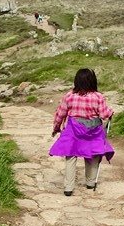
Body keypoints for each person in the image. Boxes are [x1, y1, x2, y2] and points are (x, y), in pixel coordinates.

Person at [49, 68, 115, 196]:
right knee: (93, 153)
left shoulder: (69, 96)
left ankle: (68, 187)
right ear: (93, 81)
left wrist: (56, 128)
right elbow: (103, 114)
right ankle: (90, 182)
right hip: (93, 130)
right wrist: (110, 112)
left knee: (71, 155)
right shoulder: (98, 96)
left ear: (76, 81)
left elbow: (60, 114)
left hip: (74, 129)